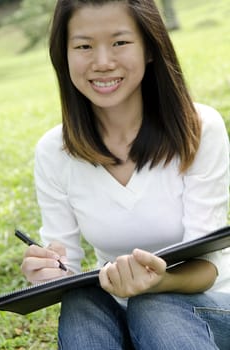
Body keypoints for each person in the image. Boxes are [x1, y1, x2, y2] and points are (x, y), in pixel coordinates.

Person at [21, 0, 230, 349]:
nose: (102, 62)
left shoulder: (199, 128)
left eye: (120, 42)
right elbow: (64, 265)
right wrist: (44, 273)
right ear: (64, 55)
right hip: (119, 307)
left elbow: (208, 267)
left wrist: (156, 283)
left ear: (149, 47)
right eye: (84, 46)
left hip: (208, 304)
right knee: (80, 302)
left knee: (153, 306)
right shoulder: (53, 151)